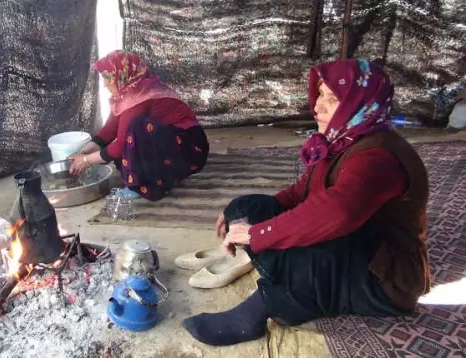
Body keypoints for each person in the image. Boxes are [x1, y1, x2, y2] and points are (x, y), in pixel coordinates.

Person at [182, 59, 431, 346]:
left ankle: (261, 309)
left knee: (315, 244)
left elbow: (337, 212)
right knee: (249, 208)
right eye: (321, 94)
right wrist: (243, 216)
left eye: (333, 98)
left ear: (360, 102)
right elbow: (302, 192)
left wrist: (258, 234)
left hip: (386, 280)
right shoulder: (343, 140)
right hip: (357, 248)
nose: (318, 106)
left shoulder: (379, 156)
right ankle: (286, 274)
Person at [69, 50, 209, 200]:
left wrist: (86, 161)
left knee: (136, 128)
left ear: (121, 75)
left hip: (190, 147)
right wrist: (83, 151)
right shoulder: (128, 92)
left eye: (108, 79)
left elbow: (119, 146)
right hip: (171, 140)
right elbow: (110, 130)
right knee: (128, 145)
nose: (105, 85)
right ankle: (149, 178)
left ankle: (143, 187)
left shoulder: (138, 96)